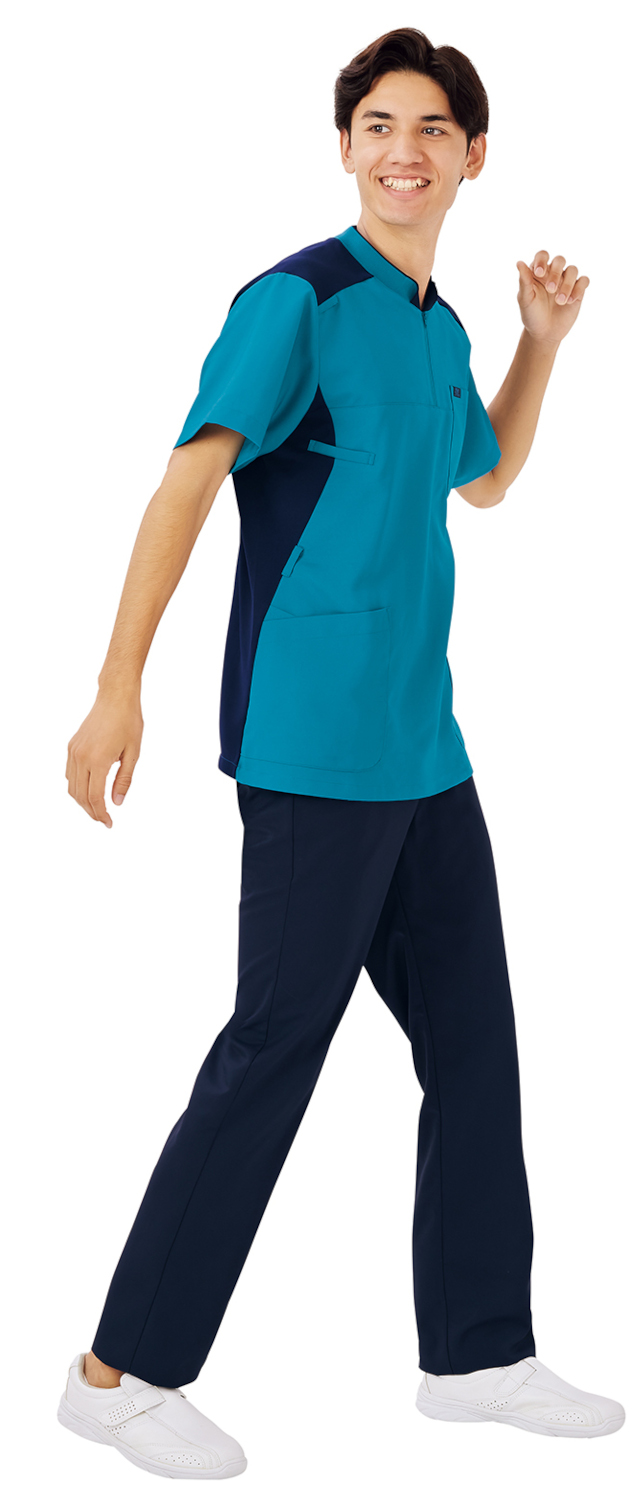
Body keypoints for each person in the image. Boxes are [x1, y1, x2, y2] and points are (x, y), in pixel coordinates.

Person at [58, 26, 624, 1480]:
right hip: (313, 746)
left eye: (430, 129)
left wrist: (540, 346)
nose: (402, 151)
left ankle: (479, 1353)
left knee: (477, 1044)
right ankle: (119, 1373)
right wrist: (118, 687)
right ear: (347, 148)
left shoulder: (437, 323)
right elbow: (187, 483)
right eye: (378, 125)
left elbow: (483, 480)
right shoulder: (296, 300)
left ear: (472, 156)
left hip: (423, 746)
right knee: (273, 1048)